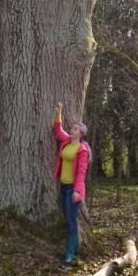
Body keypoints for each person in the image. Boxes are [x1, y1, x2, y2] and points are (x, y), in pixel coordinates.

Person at [53, 101, 91, 264]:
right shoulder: (67, 141)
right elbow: (58, 130)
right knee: (68, 217)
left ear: (81, 134)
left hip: (74, 190)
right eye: (72, 128)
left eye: (75, 129)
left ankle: (70, 253)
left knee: (70, 220)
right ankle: (75, 247)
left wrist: (76, 191)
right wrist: (58, 112)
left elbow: (81, 172)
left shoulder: (82, 150)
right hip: (63, 186)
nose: (71, 130)